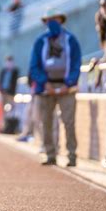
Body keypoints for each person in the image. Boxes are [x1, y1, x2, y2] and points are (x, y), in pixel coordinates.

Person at [29, 9, 81, 167]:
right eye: (49, 20)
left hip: (66, 87)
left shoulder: (70, 39)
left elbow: (76, 63)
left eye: (55, 19)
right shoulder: (40, 41)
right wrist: (45, 83)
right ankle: (50, 154)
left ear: (61, 20)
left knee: (69, 122)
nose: (52, 22)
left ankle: (72, 155)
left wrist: (69, 83)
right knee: (46, 122)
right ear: (45, 22)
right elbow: (34, 65)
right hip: (46, 87)